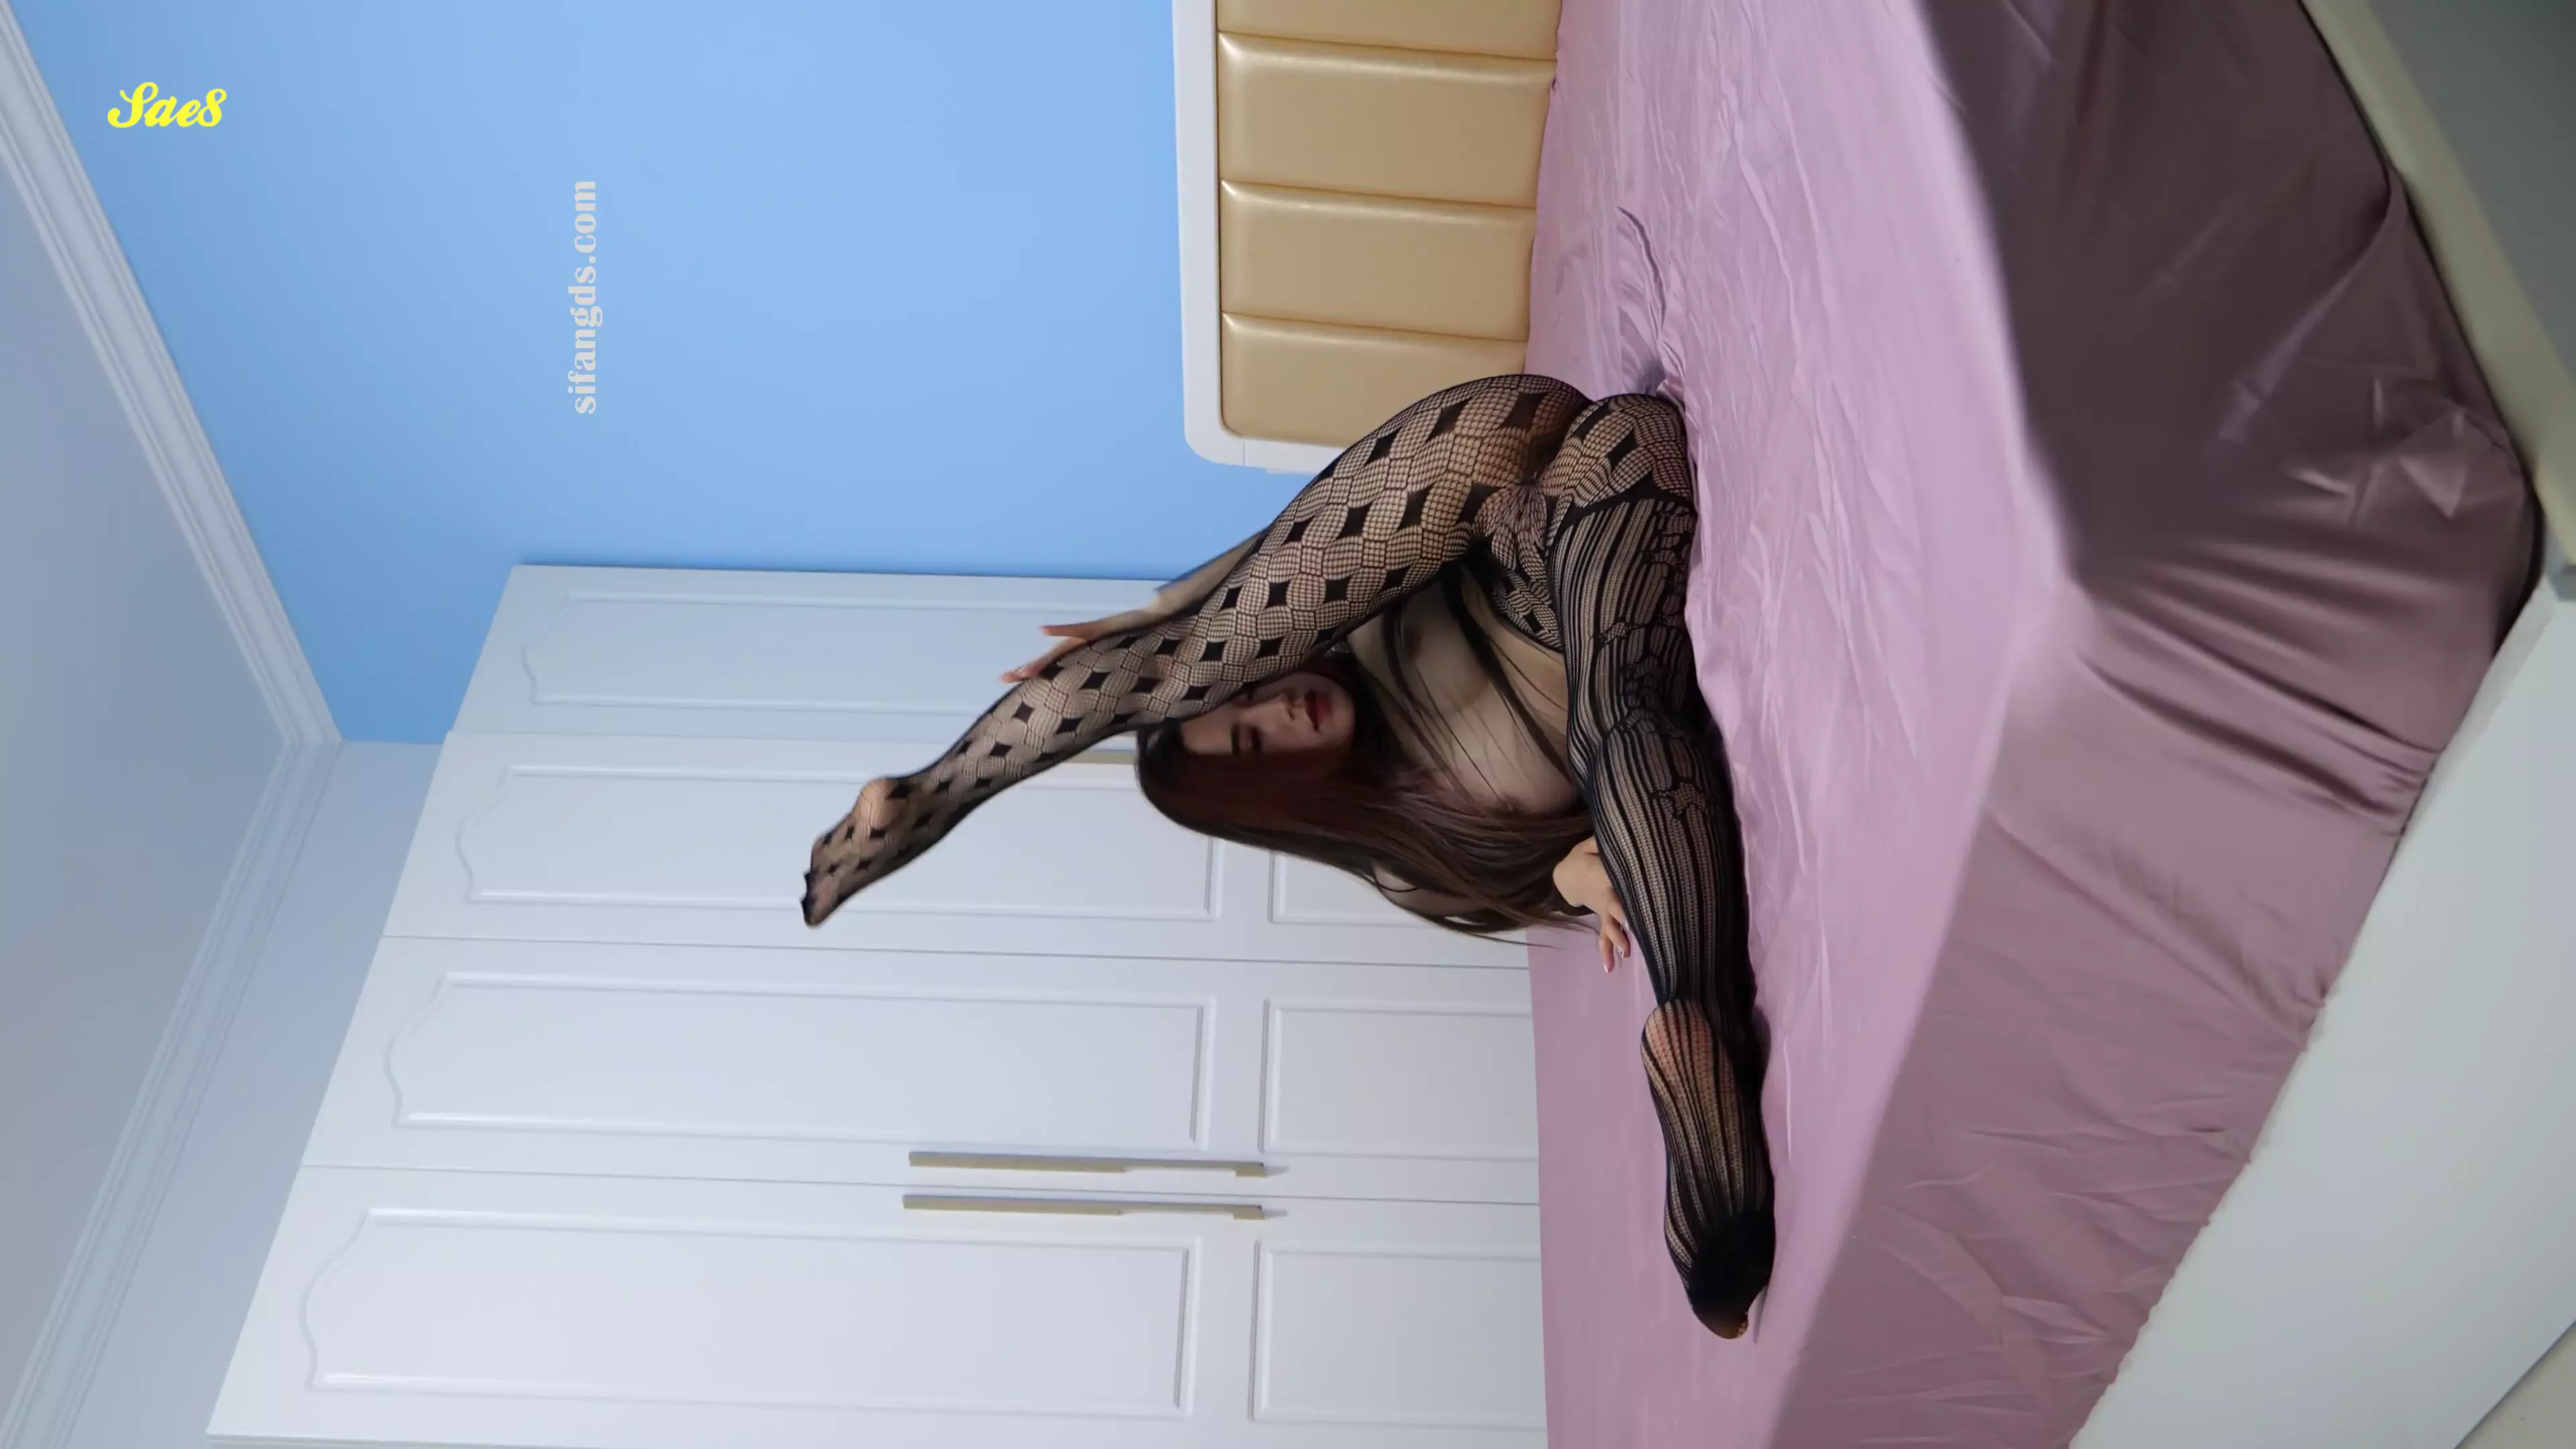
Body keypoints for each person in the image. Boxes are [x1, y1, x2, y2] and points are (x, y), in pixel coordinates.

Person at [804, 376, 1773, 1336]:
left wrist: (1169, 605)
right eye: (1255, 742)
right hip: (1605, 511)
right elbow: (1546, 861)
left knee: (1188, 662)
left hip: (1521, 468)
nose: (1278, 708)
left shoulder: (1364, 624)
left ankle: (939, 788)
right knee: (1618, 715)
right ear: (1280, 798)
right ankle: (1694, 1035)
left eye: (1254, 696)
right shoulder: (1416, 858)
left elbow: (1322, 535)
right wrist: (1565, 869)